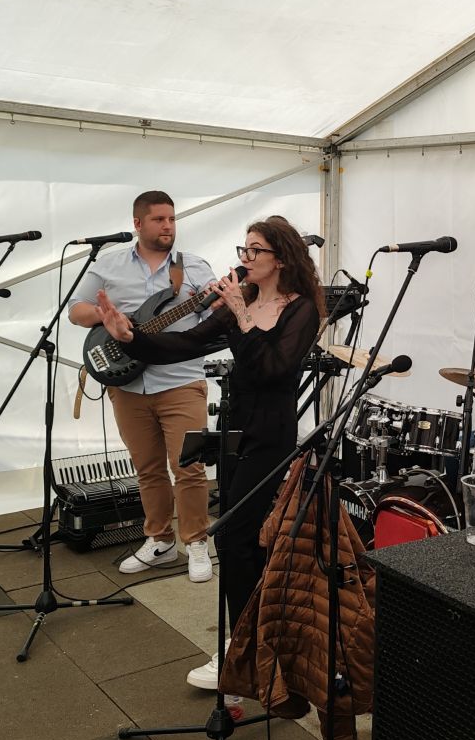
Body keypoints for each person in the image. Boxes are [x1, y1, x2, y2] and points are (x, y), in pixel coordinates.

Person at [97, 216, 323, 689]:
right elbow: (187, 342)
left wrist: (240, 312)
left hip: (270, 433)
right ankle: (255, 640)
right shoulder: (246, 300)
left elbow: (272, 369)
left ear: (280, 259)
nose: (245, 258)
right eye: (244, 249)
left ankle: (242, 649)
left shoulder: (301, 309)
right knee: (242, 539)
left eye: (255, 250)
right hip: (236, 427)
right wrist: (132, 338)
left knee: (235, 535)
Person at [69, 191, 217, 583]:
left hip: (181, 380)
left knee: (189, 468)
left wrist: (221, 302)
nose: (168, 226)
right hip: (129, 385)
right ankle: (160, 540)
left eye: (172, 218)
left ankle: (196, 542)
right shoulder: (108, 264)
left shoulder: (194, 267)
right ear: (138, 223)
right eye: (159, 219)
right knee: (148, 469)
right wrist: (107, 317)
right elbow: (75, 310)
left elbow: (217, 313)